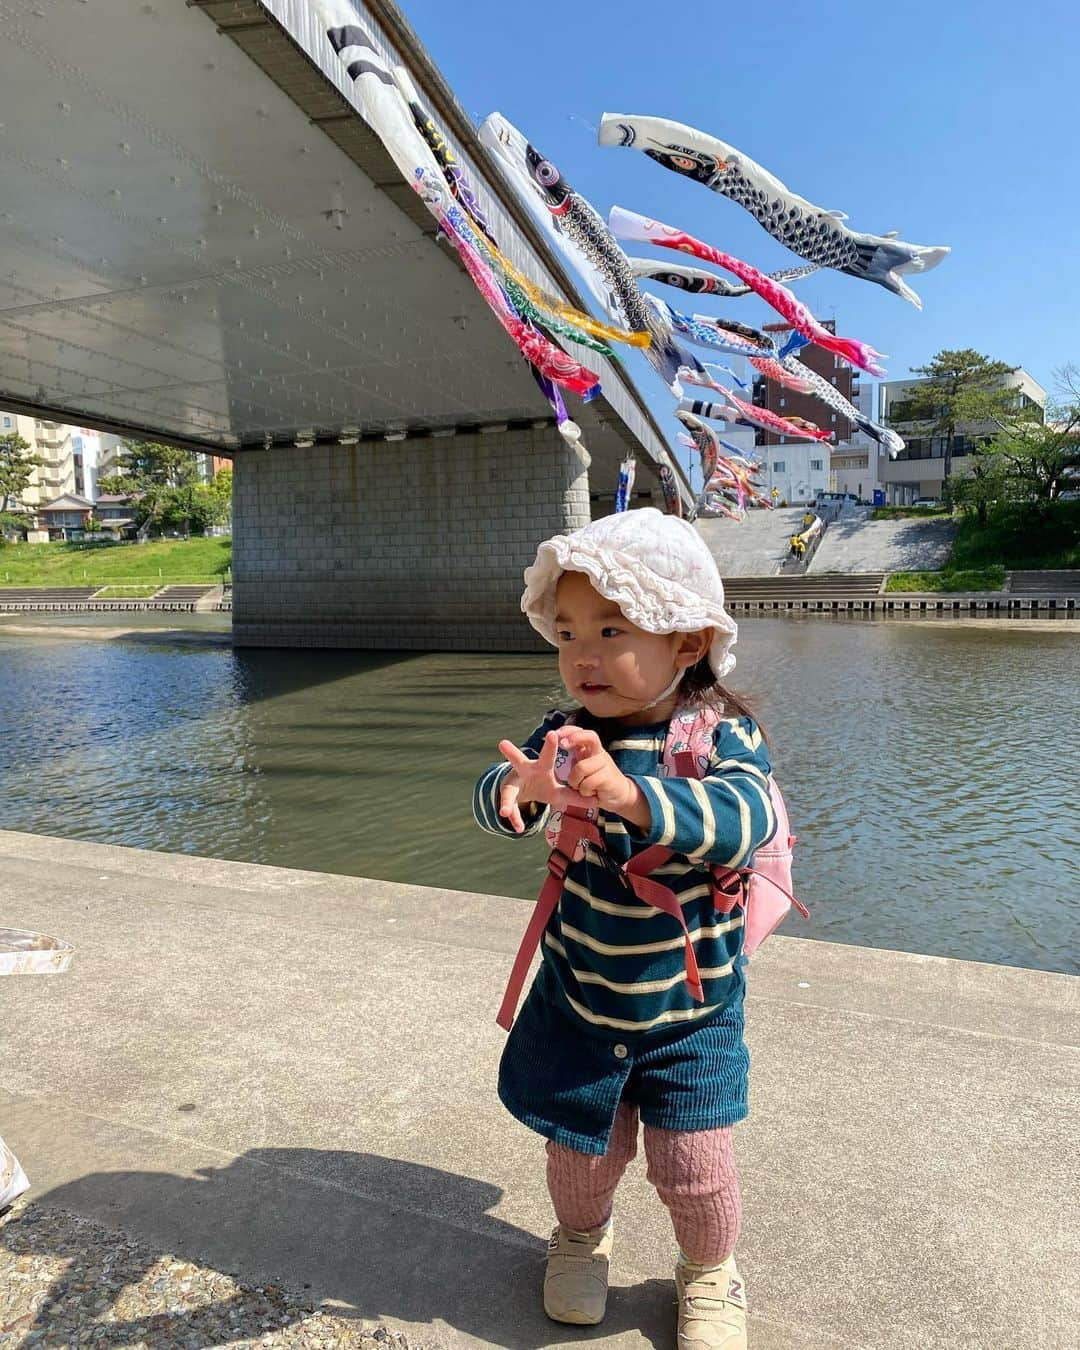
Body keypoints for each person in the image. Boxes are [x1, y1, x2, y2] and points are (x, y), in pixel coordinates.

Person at [473, 508, 778, 1349]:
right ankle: (579, 1238)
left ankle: (710, 1273)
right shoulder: (566, 736)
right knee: (581, 1158)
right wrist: (515, 791)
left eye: (612, 629)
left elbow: (746, 817)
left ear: (687, 642)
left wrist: (634, 797)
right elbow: (505, 789)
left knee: (695, 1172)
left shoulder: (720, 734)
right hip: (580, 998)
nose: (582, 654)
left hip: (692, 1010)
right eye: (568, 632)